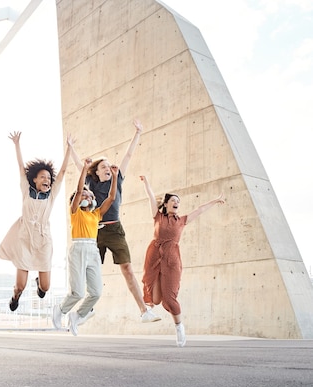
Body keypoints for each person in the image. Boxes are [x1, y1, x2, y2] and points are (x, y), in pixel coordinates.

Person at [70, 120, 160, 323]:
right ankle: (87, 309)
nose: (108, 169)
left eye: (108, 166)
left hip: (115, 230)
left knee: (127, 268)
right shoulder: (91, 183)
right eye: (103, 167)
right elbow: (79, 166)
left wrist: (138, 132)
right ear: (97, 172)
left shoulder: (117, 180)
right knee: (90, 269)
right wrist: (71, 147)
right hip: (95, 232)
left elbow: (128, 155)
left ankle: (144, 311)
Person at [140, 175, 225, 347]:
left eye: (178, 201)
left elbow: (200, 210)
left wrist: (215, 201)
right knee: (155, 300)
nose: (176, 203)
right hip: (154, 255)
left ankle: (179, 327)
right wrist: (147, 182)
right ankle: (148, 310)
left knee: (169, 300)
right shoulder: (158, 217)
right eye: (173, 200)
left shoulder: (182, 220)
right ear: (165, 204)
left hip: (172, 259)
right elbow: (150, 196)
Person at [0, 131, 71, 311]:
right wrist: (17, 144)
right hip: (24, 239)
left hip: (43, 240)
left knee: (45, 288)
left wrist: (69, 147)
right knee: (20, 286)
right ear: (35, 180)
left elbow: (62, 172)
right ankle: (15, 297)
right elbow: (21, 167)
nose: (47, 179)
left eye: (48, 177)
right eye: (43, 177)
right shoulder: (26, 190)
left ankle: (39, 283)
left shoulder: (51, 195)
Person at [53, 156, 118, 336]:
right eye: (85, 195)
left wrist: (114, 176)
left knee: (96, 292)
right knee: (78, 292)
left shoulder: (96, 214)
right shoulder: (75, 212)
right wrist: (85, 169)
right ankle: (60, 310)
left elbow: (112, 198)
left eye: (90, 195)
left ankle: (77, 316)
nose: (88, 196)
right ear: (78, 199)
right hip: (78, 249)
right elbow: (79, 188)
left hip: (92, 250)